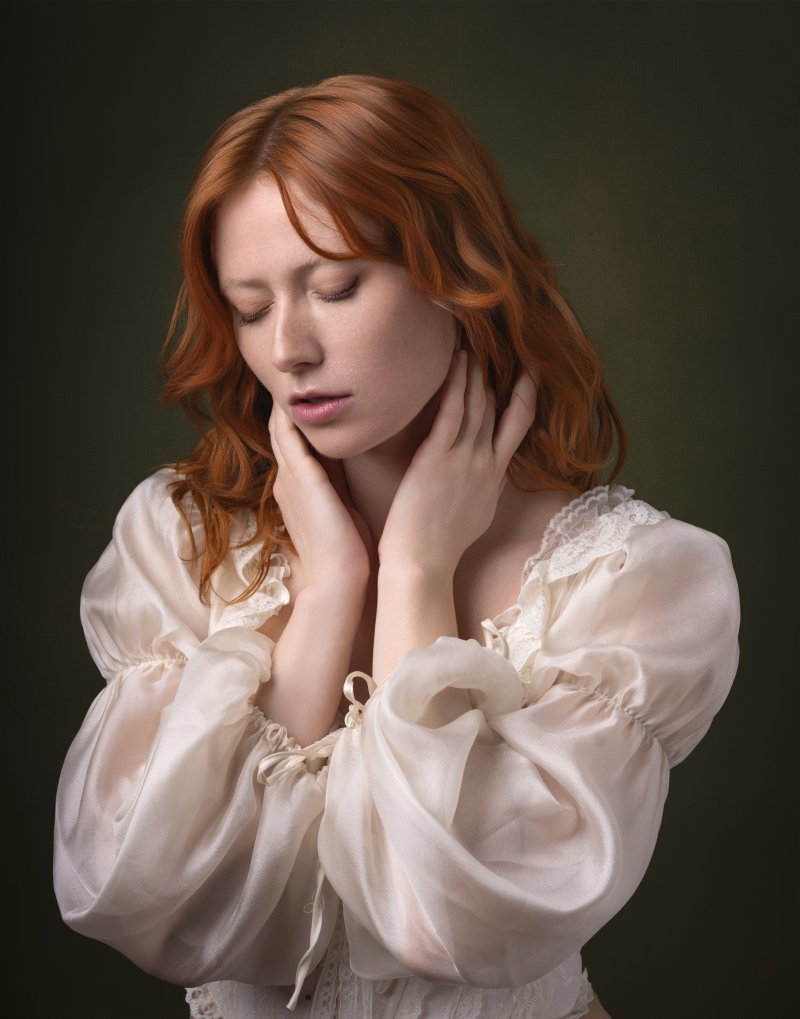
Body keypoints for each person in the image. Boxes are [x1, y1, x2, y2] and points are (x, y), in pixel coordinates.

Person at [52, 74, 740, 1019]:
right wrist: (334, 583)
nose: (289, 347)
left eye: (334, 286)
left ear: (458, 275)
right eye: (249, 307)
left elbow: (442, 919)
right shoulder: (176, 545)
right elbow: (173, 912)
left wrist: (416, 568)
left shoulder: (637, 583)